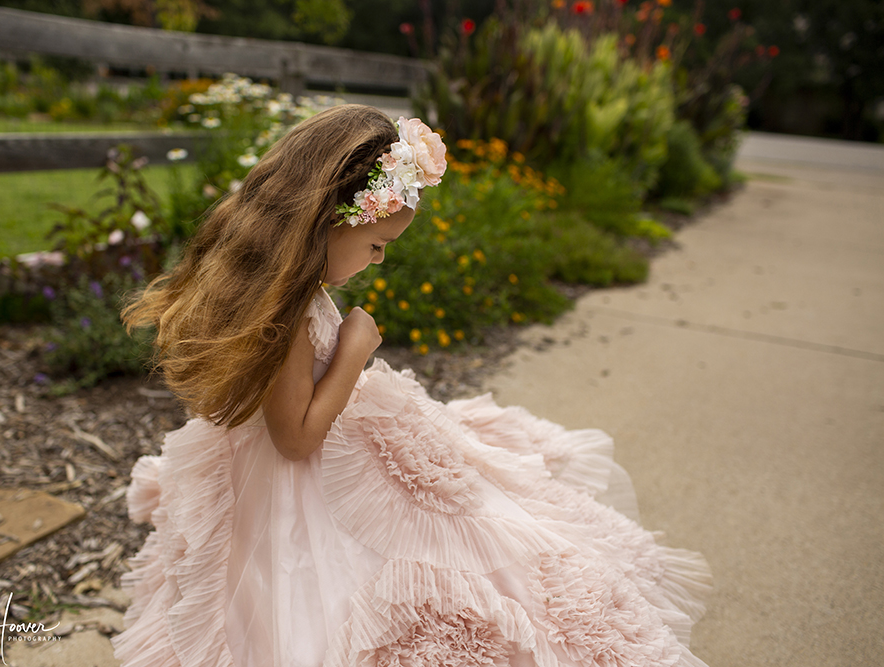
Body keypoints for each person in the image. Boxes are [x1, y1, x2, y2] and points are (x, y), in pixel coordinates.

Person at [111, 104, 712, 667]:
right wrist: (353, 350)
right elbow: (295, 439)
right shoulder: (286, 314)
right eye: (376, 245)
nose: (377, 261)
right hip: (298, 486)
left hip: (312, 461)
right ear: (328, 219)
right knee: (345, 584)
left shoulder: (277, 285)